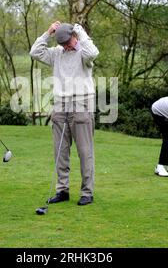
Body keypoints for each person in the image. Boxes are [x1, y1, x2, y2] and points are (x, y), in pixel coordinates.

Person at [30, 21, 99, 206]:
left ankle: (87, 192)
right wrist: (48, 33)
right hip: (60, 104)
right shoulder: (56, 54)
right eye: (62, 43)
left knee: (85, 151)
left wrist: (79, 31)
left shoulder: (84, 53)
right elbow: (35, 52)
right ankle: (62, 190)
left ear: (74, 37)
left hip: (82, 103)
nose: (66, 46)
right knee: (60, 151)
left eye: (68, 42)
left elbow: (93, 52)